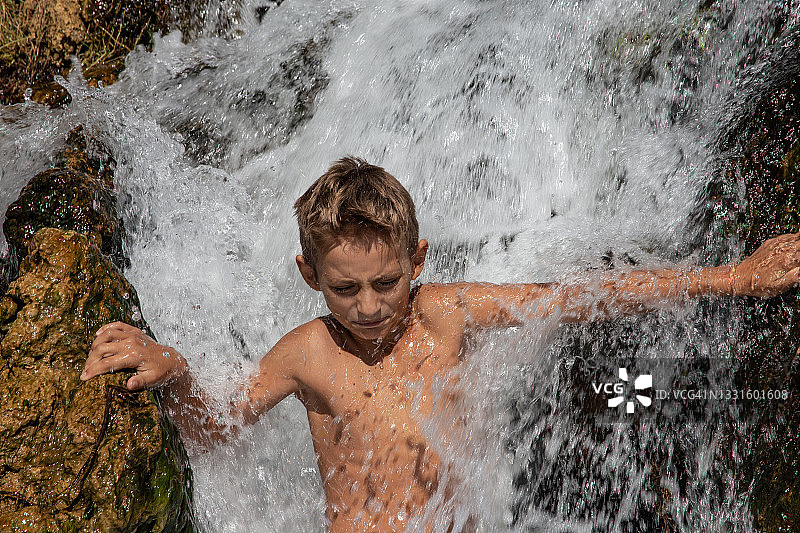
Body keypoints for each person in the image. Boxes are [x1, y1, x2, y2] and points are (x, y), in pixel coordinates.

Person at [80, 157, 800, 532]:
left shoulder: (449, 316)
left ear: (417, 259)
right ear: (309, 275)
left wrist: (737, 277)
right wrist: (175, 371)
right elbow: (216, 427)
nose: (368, 307)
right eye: (344, 288)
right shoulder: (308, 354)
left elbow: (580, 297)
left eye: (387, 282)